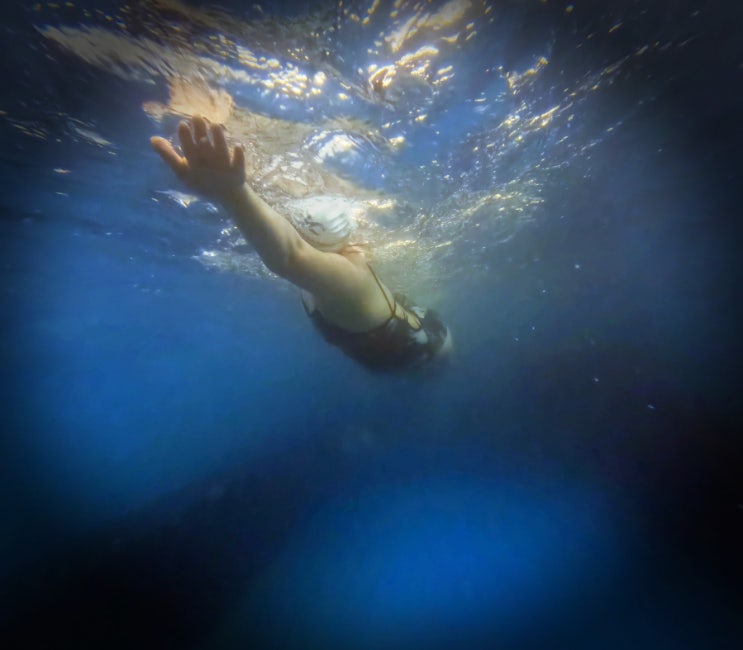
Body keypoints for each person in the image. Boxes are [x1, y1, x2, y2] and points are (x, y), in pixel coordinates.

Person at [151, 116, 451, 370]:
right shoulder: (336, 272)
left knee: (436, 370)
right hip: (391, 336)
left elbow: (290, 256)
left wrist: (233, 194)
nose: (286, 226)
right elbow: (290, 249)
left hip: (425, 348)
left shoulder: (349, 282)